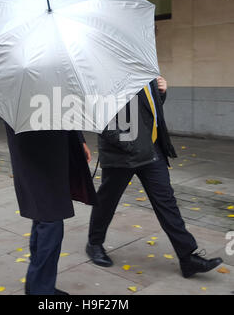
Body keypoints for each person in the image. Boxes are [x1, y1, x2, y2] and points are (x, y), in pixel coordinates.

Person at [86, 77, 223, 278]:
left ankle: (187, 258)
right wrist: (132, 145)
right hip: (122, 153)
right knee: (107, 200)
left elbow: (148, 111)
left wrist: (161, 93)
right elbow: (102, 119)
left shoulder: (146, 71)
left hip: (152, 151)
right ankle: (94, 243)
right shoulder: (107, 73)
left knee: (166, 202)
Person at [4, 124, 97, 295]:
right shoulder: (20, 99)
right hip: (36, 157)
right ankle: (41, 290)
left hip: (51, 156)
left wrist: (79, 139)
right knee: (51, 224)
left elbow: (63, 110)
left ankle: (37, 284)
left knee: (44, 221)